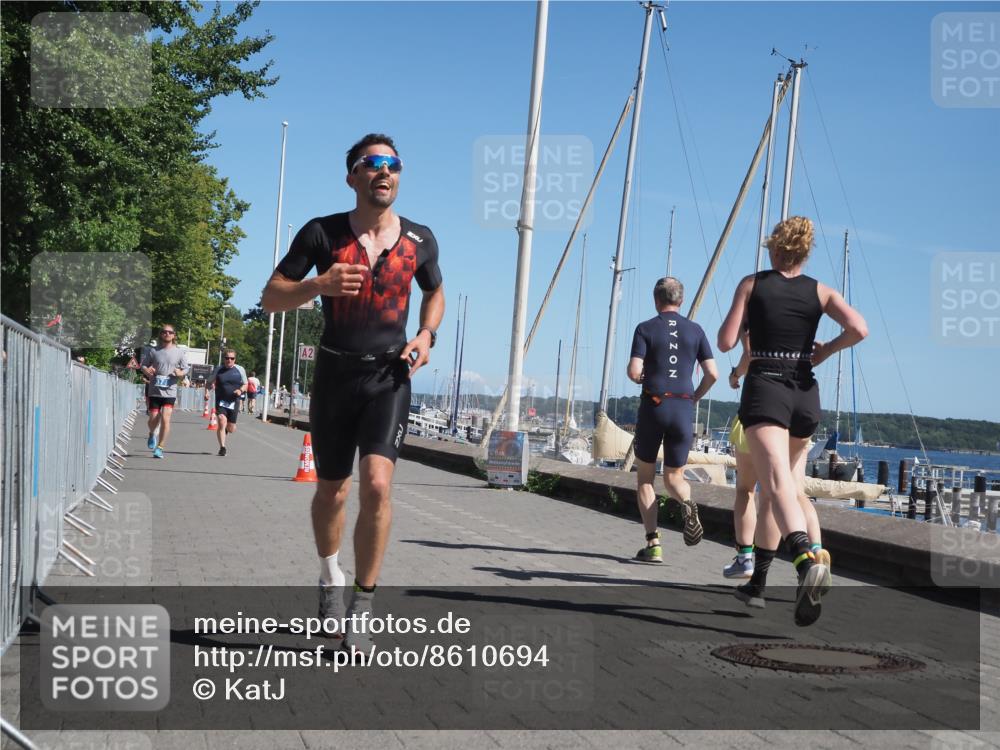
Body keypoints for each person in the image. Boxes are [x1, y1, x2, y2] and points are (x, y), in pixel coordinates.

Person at [261, 133, 445, 657]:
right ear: (353, 177)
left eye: (393, 164)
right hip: (336, 376)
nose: (384, 171)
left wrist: (426, 336)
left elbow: (435, 291)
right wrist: (317, 286)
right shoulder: (322, 234)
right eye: (372, 164)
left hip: (389, 377)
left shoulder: (421, 239)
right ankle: (328, 578)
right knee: (332, 492)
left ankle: (363, 603)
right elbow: (270, 297)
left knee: (379, 487)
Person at [718, 216, 867, 626]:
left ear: (777, 250)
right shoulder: (820, 291)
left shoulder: (752, 284)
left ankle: (805, 563)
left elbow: (726, 341)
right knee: (784, 491)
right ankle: (758, 585)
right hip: (805, 393)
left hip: (766, 388)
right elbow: (859, 328)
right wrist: (827, 351)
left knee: (777, 485)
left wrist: (745, 318)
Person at [723, 354, 831, 604]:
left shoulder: (756, 316)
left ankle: (746, 560)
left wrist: (736, 374)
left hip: (762, 406)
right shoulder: (806, 316)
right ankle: (816, 551)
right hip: (799, 404)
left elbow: (748, 351)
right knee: (795, 492)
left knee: (749, 491)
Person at [627, 277, 718, 563]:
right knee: (674, 477)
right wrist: (695, 397)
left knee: (645, 479)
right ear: (681, 300)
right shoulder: (696, 330)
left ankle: (653, 544)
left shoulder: (645, 329)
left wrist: (641, 375)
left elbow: (633, 371)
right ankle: (687, 502)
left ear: (656, 300)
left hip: (654, 405)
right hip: (682, 408)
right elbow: (712, 373)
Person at [140, 324, 190, 459]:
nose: (167, 334)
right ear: (161, 334)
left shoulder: (179, 352)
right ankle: (151, 433)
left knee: (166, 418)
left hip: (170, 390)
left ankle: (160, 447)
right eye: (164, 332)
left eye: (170, 332)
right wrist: (147, 370)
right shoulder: (153, 351)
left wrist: (180, 373)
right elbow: (143, 365)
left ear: (174, 335)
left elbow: (186, 368)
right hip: (155, 390)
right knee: (153, 419)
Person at [208, 349, 247, 456]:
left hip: (234, 401)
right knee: (221, 420)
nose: (229, 360)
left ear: (235, 359)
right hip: (221, 401)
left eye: (232, 358)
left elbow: (245, 384)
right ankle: (222, 447)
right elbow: (209, 381)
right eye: (227, 358)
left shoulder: (240, 369)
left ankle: (226, 429)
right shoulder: (218, 370)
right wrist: (207, 392)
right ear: (224, 359)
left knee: (231, 428)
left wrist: (240, 390)